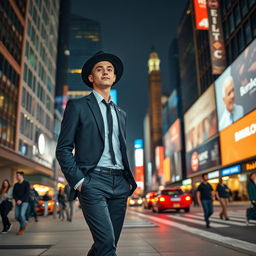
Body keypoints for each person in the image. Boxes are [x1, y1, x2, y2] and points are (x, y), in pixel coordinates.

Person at [56, 51, 137, 256]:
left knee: (106, 245)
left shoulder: (121, 113)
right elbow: (63, 148)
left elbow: (120, 149)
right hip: (93, 182)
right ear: (91, 78)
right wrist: (80, 181)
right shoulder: (78, 106)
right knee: (107, 244)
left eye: (110, 69)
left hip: (120, 184)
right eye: (100, 69)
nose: (106, 72)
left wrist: (127, 181)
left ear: (115, 77)